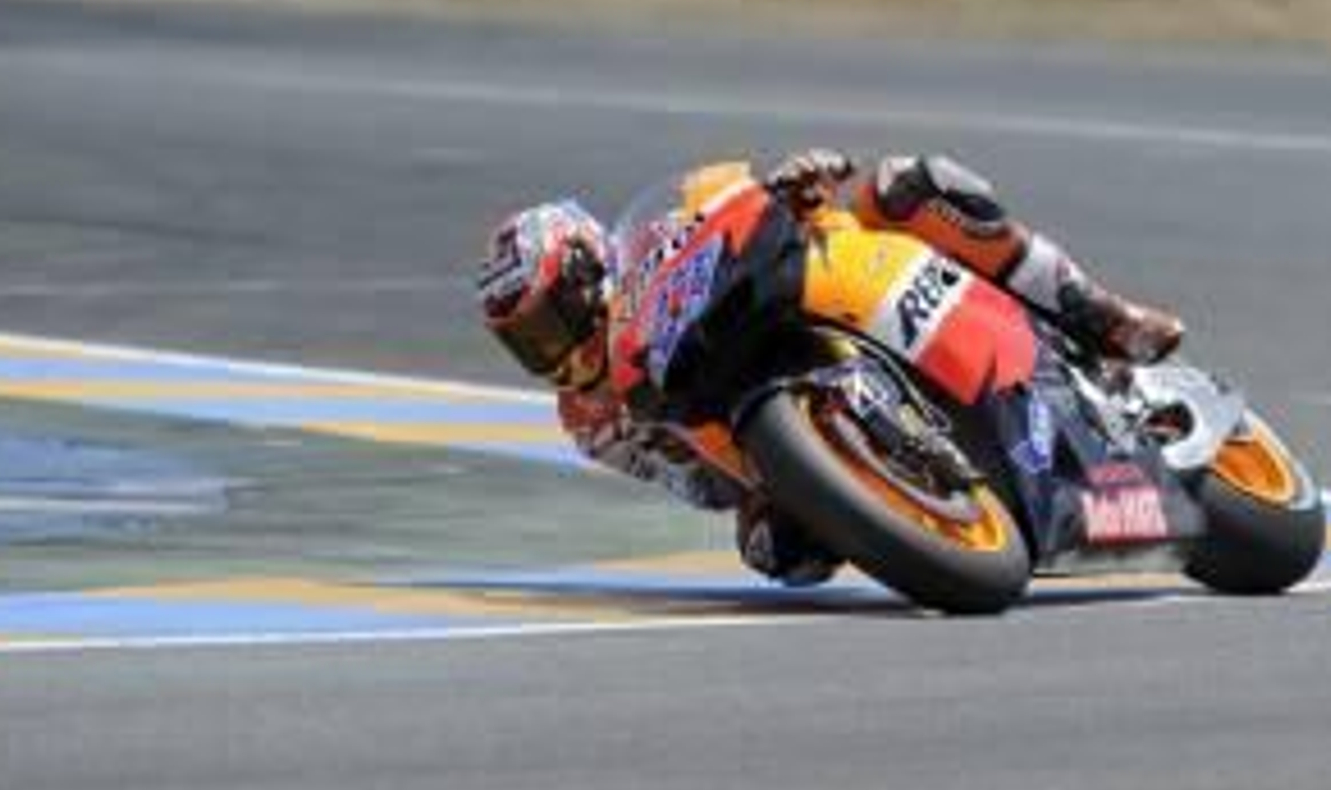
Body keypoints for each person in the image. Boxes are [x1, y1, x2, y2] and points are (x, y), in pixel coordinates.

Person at [476, 152, 1184, 587]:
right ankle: (906, 493)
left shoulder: (659, 240)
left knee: (912, 183)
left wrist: (796, 183)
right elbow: (698, 485)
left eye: (550, 325)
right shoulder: (591, 419)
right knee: (779, 557)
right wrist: (761, 496)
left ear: (587, 272)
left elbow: (739, 209)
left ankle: (1101, 315)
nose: (555, 353)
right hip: (750, 437)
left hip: (824, 279)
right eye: (529, 346)